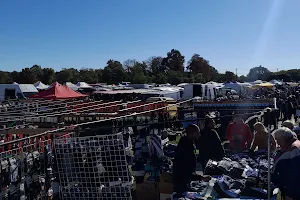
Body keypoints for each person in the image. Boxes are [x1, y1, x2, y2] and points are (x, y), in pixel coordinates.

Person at [173, 124, 210, 195]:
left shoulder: (188, 143)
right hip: (181, 182)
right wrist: (201, 178)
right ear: (190, 134)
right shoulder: (185, 147)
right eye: (197, 133)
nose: (199, 135)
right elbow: (186, 170)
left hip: (184, 180)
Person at [271, 127, 300, 200]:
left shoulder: (290, 151)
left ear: (283, 138)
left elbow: (275, 170)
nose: (277, 143)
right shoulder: (297, 143)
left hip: (293, 189)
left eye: (278, 140)